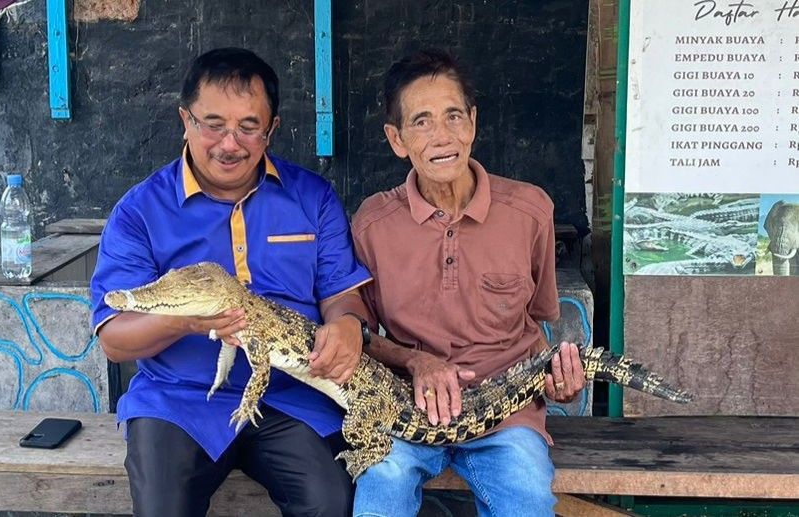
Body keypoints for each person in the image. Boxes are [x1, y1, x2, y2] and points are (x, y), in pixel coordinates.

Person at [90, 47, 372, 517]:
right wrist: (187, 322)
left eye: (248, 127)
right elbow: (115, 341)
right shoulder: (139, 212)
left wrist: (348, 327)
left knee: (330, 500)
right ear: (186, 119)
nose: (229, 143)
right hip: (178, 398)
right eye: (212, 124)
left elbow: (343, 296)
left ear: (272, 130)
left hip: (292, 395)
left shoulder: (313, 198)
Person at [350, 49, 586, 517]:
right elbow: (358, 336)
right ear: (396, 139)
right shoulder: (372, 224)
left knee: (528, 501)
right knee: (381, 492)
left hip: (507, 415)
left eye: (453, 115)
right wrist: (416, 360)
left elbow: (537, 321)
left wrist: (562, 383)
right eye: (421, 122)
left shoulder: (530, 210)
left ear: (473, 123)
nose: (443, 136)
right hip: (407, 410)